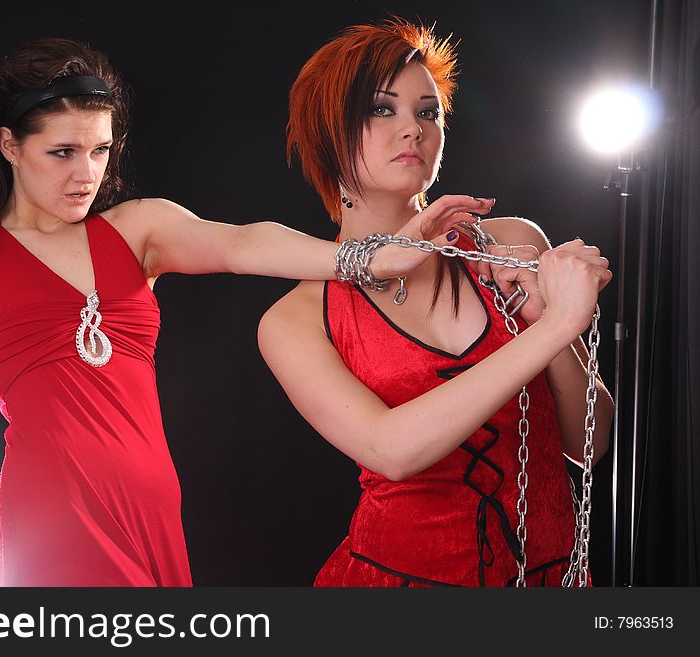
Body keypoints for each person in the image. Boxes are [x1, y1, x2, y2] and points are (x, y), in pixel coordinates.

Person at [0, 36, 490, 587]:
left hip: (156, 510)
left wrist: (375, 258)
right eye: (63, 152)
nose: (87, 174)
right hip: (54, 512)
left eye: (100, 150)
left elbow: (245, 242)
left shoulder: (137, 228)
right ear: (9, 144)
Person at [258, 18, 615, 587]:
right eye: (382, 109)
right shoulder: (298, 319)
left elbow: (589, 443)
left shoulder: (512, 246)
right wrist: (555, 329)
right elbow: (391, 451)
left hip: (551, 579)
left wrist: (544, 325)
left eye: (428, 112)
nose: (413, 130)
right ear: (328, 134)